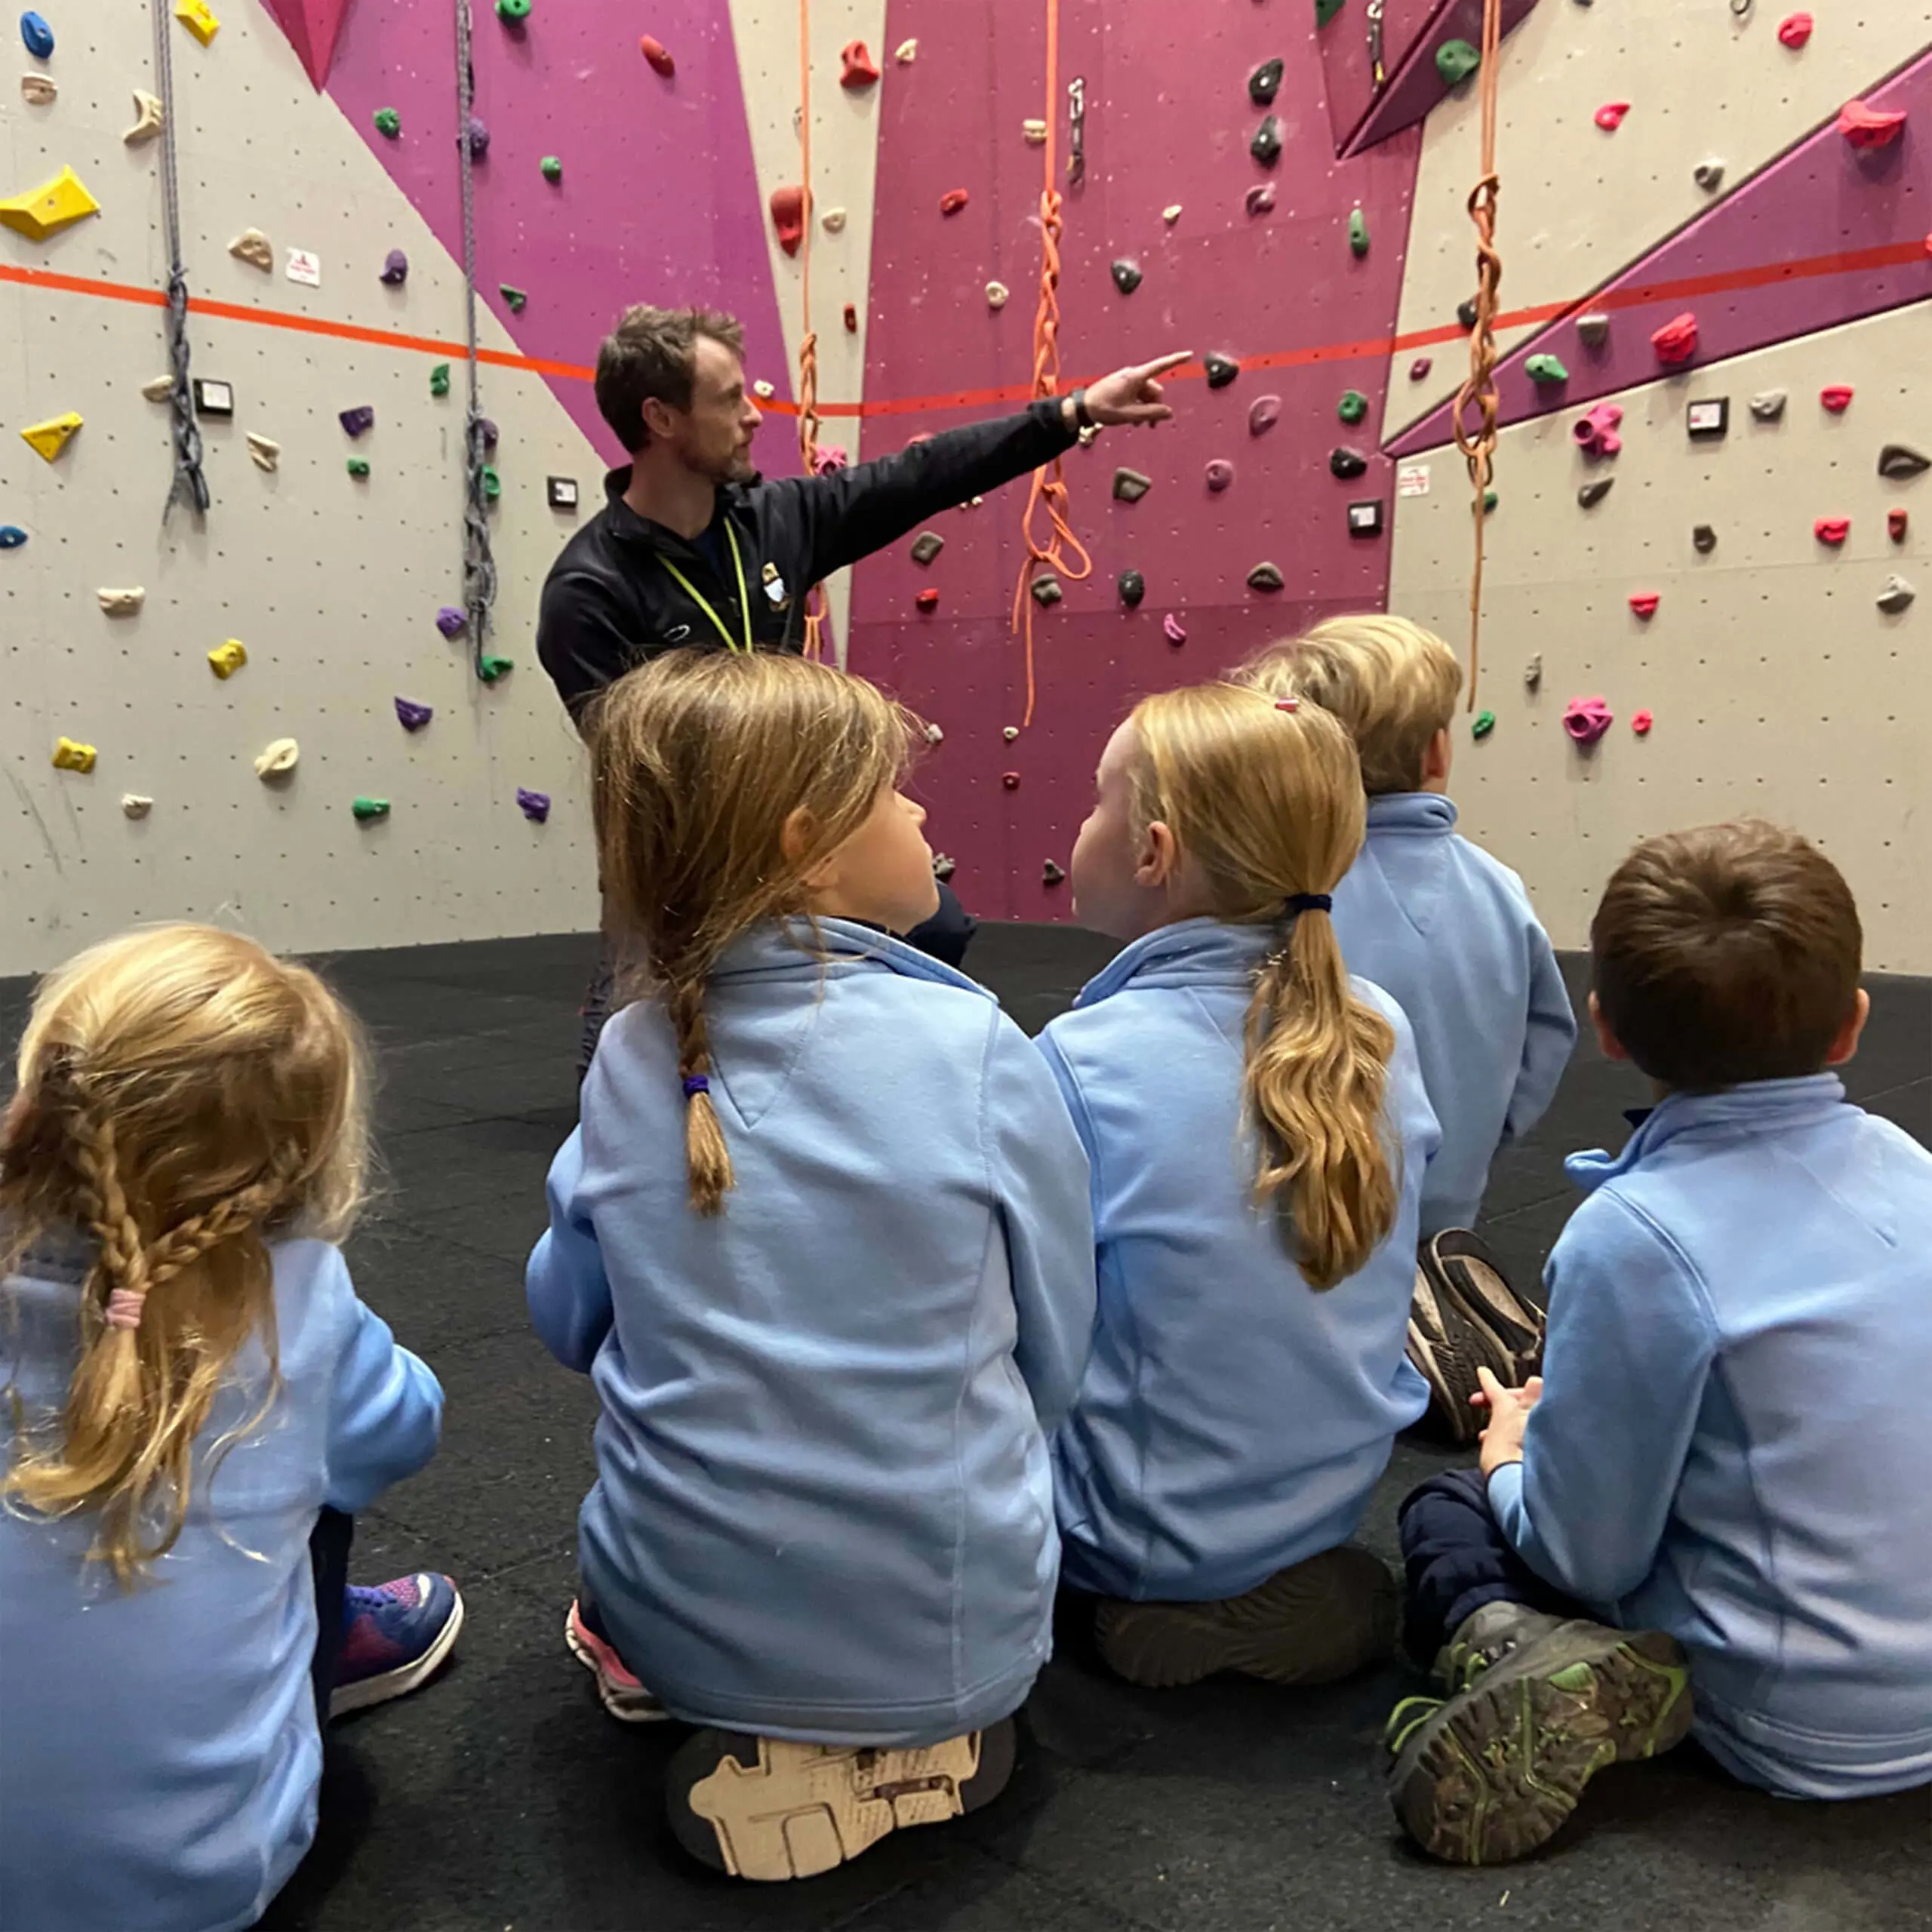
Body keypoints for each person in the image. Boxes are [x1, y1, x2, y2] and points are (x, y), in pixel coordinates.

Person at [525, 651, 1094, 1881]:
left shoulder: (633, 1056)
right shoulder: (980, 1045)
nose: (925, 814)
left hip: (674, 1613)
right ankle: (918, 1733)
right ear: (808, 848)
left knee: (636, 1490)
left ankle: (679, 1675)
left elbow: (565, 1317)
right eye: (897, 793)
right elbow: (1057, 1343)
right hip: (952, 1627)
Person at [1386, 821, 1932, 1866]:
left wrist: (1509, 1459)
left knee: (1450, 1510)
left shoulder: (1629, 1239)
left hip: (1790, 1722)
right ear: (1853, 1026)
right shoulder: (1908, 1160)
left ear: (1607, 1029)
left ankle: (1529, 1652)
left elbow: (1585, 1551)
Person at [537, 304, 1186, 1067]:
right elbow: (643, 773)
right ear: (660, 418)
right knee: (636, 1051)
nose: (753, 415)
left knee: (935, 927)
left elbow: (918, 478)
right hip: (691, 849)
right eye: (729, 398)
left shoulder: (775, 522)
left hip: (801, 819)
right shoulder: (590, 589)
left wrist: (1071, 415)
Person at [0, 925, 455, 1932]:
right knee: (328, 1485)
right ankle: (329, 1648)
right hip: (201, 1886)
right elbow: (405, 1432)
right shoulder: (300, 1297)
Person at [1037, 684, 1440, 1690]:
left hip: (1129, 1528)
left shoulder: (1078, 1060)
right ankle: (1270, 1577)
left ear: (1152, 855)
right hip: (1331, 1502)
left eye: (1097, 804)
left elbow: (1017, 1328)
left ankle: (1154, 1588)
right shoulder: (1380, 1026)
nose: (1079, 826)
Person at [1234, 618, 1575, 1439]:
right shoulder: (1500, 885)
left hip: (1319, 1199)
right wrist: (1486, 1134)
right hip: (1455, 1187)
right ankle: (1435, 1309)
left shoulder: (1294, 897)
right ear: (1435, 753)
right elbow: (1546, 1038)